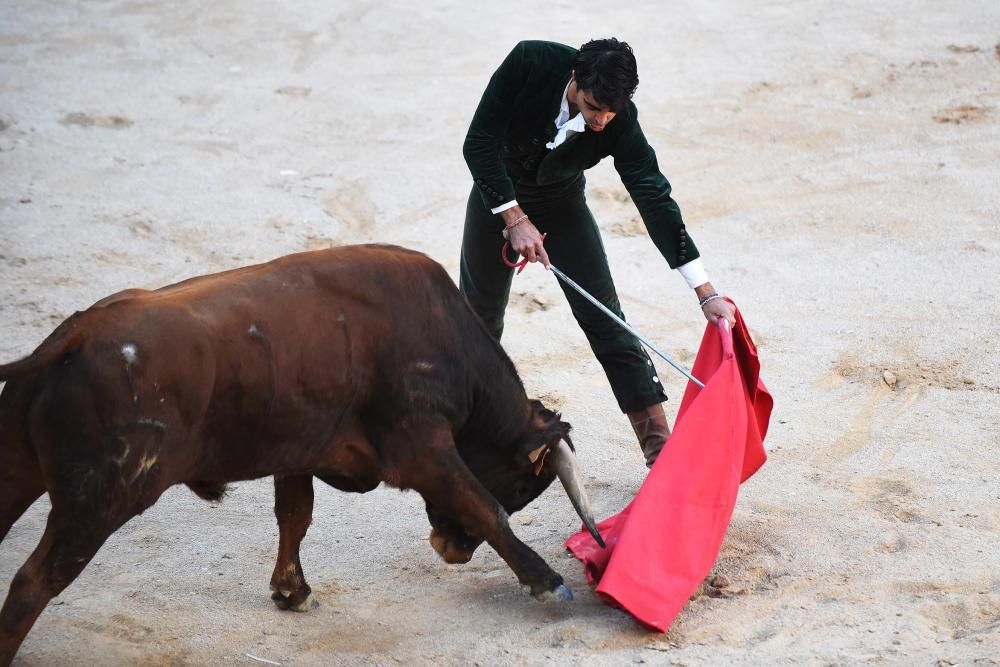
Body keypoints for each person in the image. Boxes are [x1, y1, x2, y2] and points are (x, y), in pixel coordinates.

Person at [460, 38, 736, 467]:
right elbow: (478, 142)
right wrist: (513, 218)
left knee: (606, 318)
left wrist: (704, 291)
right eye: (593, 108)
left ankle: (659, 447)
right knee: (478, 319)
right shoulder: (530, 61)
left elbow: (653, 195)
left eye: (611, 111)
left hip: (562, 203)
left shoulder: (619, 119)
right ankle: (466, 432)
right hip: (497, 199)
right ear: (575, 78)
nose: (601, 121)